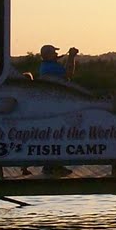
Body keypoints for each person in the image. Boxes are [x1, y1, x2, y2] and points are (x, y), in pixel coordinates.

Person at [37, 43, 79, 176]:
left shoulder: (46, 66)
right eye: (54, 53)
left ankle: (51, 166)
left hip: (50, 106)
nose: (56, 54)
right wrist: (71, 57)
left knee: (53, 136)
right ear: (48, 55)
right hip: (55, 106)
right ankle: (53, 166)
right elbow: (69, 73)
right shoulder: (51, 67)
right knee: (57, 135)